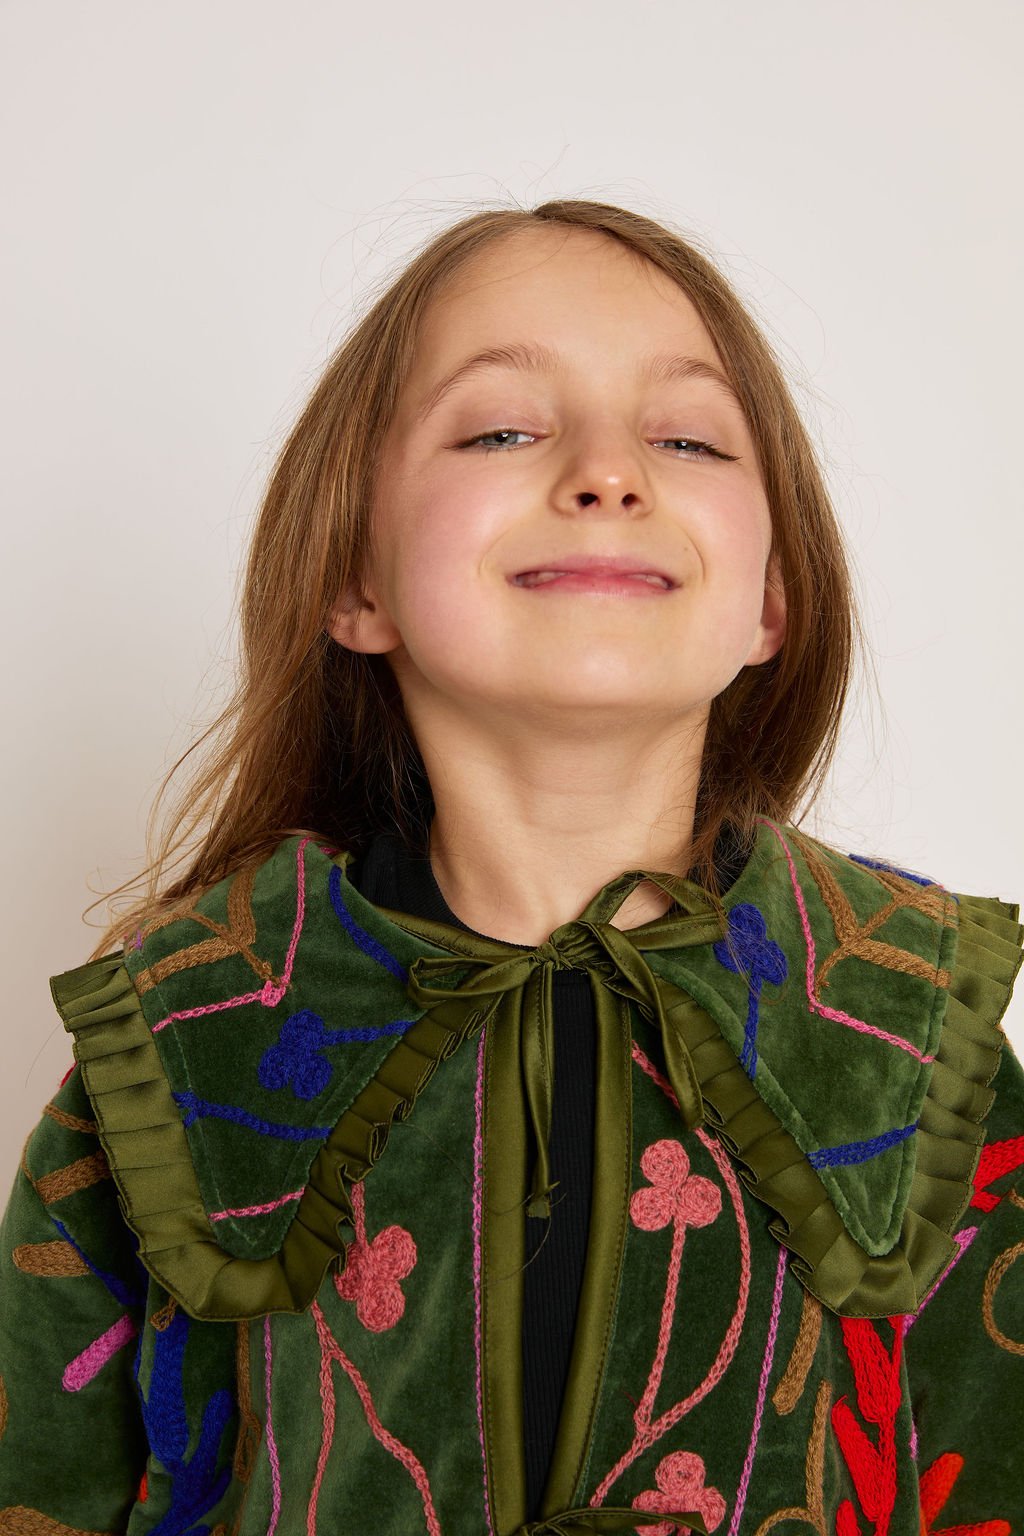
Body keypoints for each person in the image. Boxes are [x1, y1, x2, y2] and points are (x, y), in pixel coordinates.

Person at [0, 200, 1021, 1536]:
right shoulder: (187, 1041)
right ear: (354, 575)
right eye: (501, 429)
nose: (608, 473)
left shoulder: (908, 1037)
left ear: (773, 598)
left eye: (688, 438)